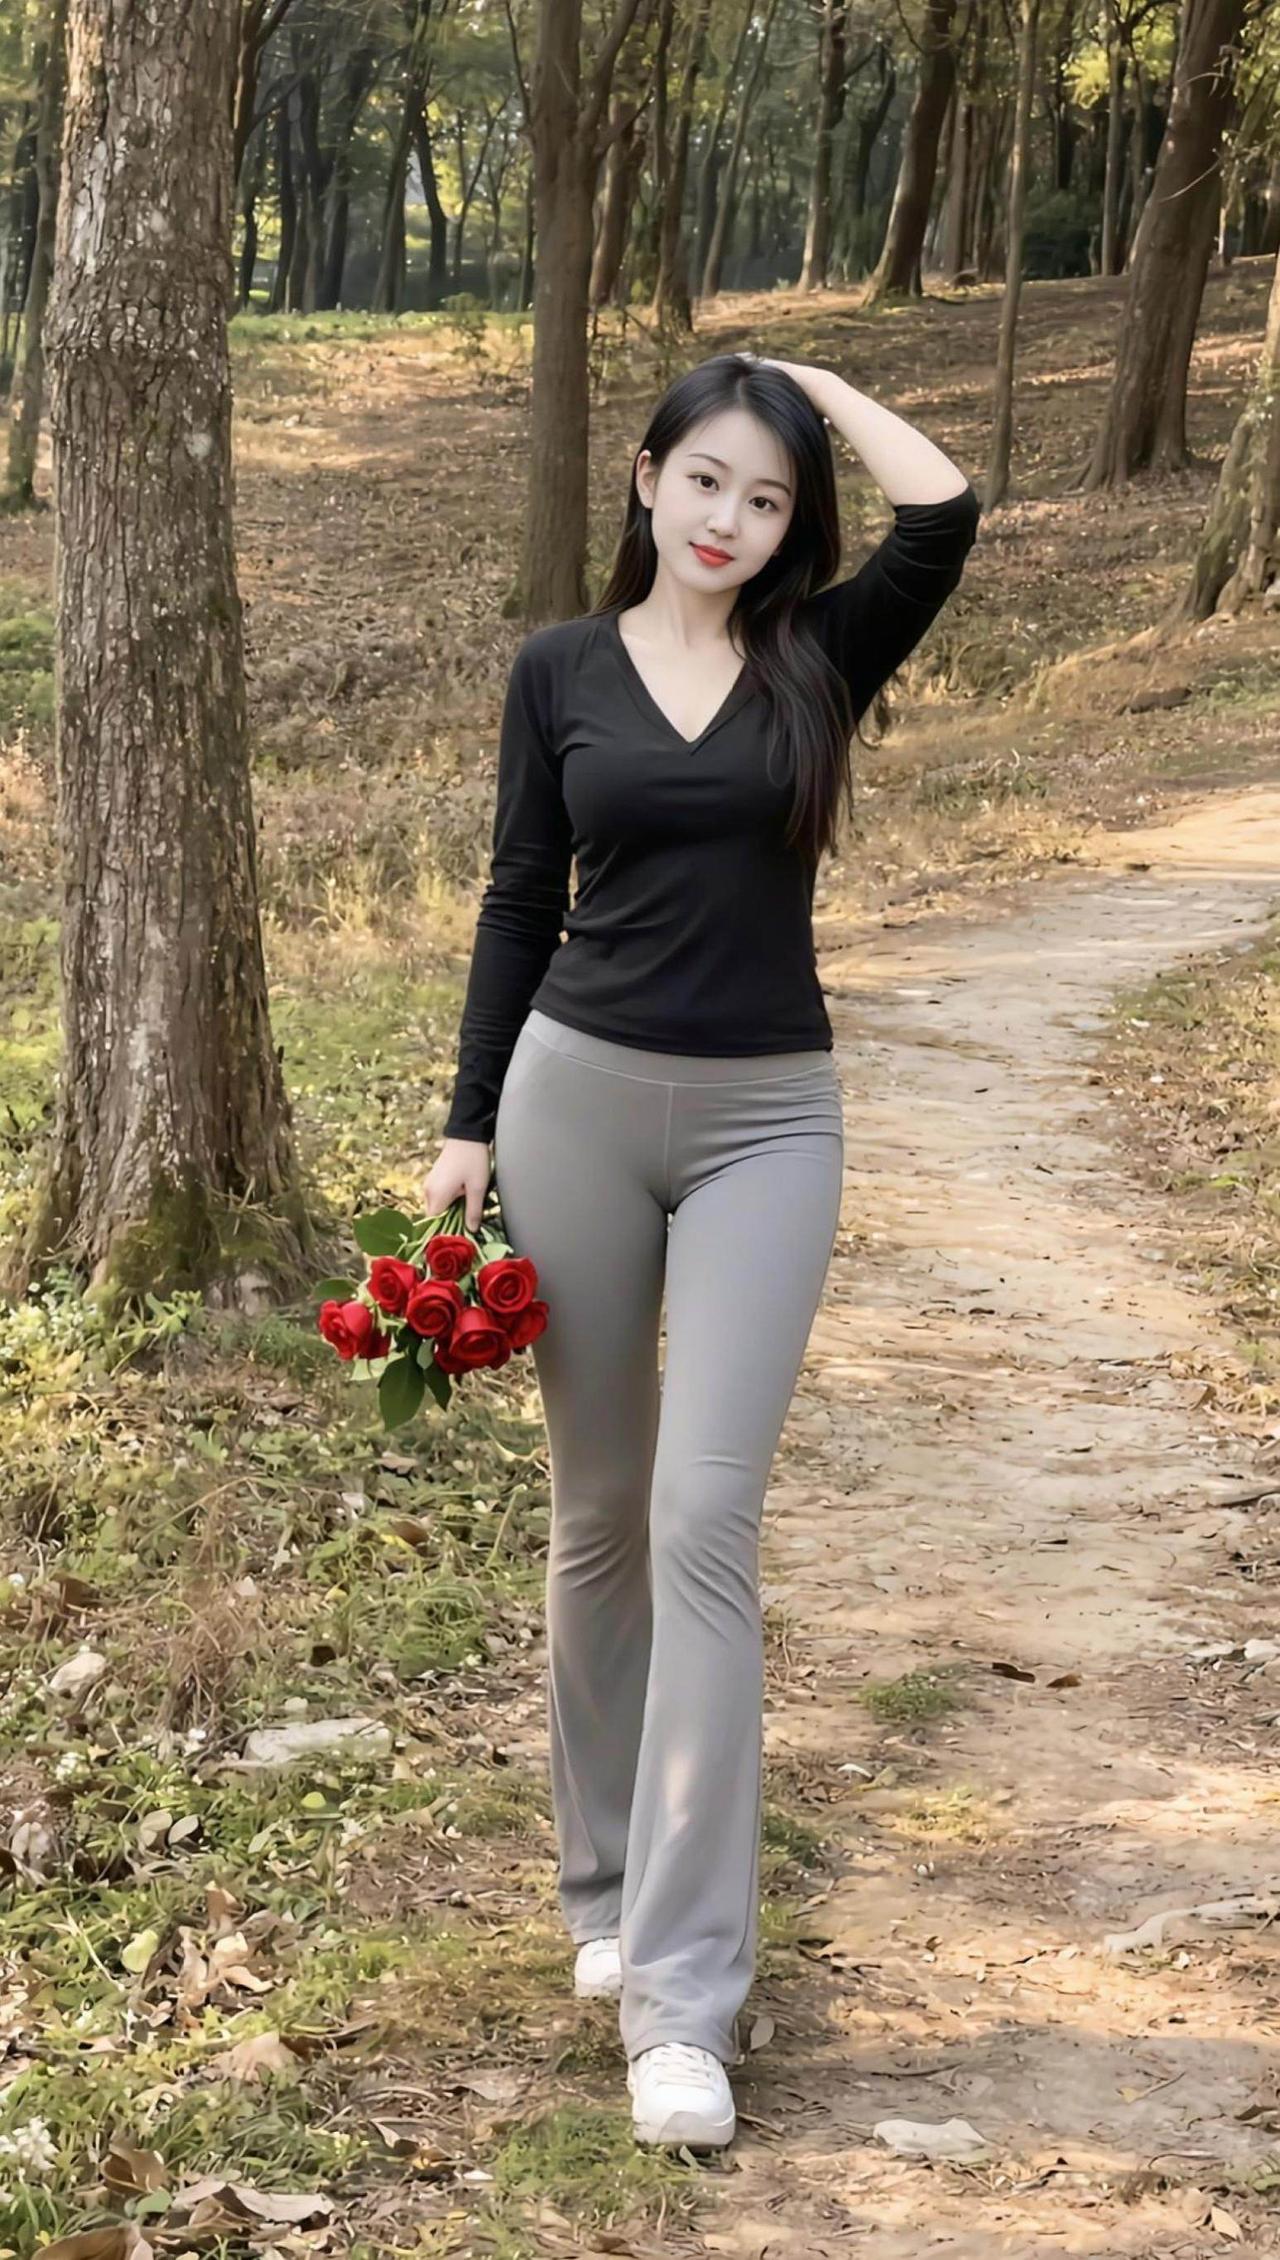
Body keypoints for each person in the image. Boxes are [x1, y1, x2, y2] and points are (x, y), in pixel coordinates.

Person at [422, 351, 979, 2151]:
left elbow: (945, 514)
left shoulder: (819, 658)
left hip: (768, 1126)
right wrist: (467, 1126)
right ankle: (601, 1891)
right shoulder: (559, 672)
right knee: (598, 1515)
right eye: (708, 479)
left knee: (703, 1520)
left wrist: (813, 385)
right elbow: (522, 893)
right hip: (573, 1105)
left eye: (769, 495)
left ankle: (682, 2002)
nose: (732, 518)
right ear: (648, 479)